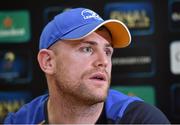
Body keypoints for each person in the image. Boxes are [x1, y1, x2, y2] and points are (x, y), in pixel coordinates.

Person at [4, 8, 170, 124]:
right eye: (87, 49)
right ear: (48, 62)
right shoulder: (20, 122)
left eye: (107, 52)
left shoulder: (140, 120)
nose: (103, 61)